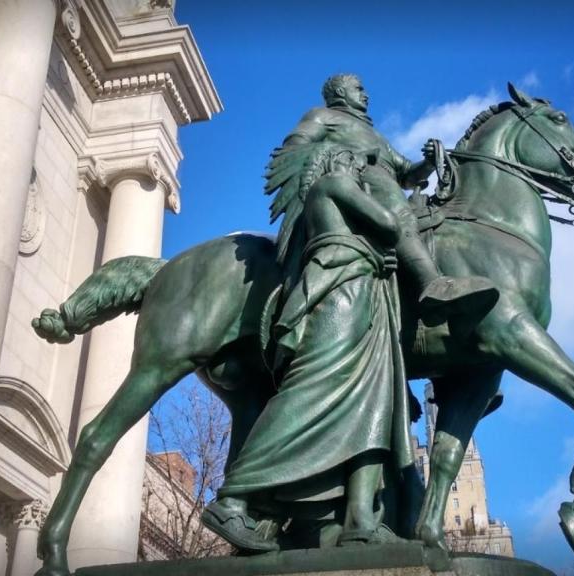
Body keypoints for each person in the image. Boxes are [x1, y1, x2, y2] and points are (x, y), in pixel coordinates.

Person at [202, 146, 414, 549]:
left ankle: (359, 518)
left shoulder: (338, 190)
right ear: (336, 163)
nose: (360, 174)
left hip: (363, 291)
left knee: (374, 402)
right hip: (339, 293)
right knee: (307, 392)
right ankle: (233, 500)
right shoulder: (332, 184)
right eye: (355, 166)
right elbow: (389, 224)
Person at [270, 73, 498, 321]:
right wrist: (348, 157)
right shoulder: (321, 116)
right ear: (339, 93)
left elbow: (408, 175)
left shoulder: (374, 133)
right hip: (354, 183)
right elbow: (294, 149)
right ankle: (431, 284)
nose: (365, 94)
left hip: (384, 186)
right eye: (358, 88)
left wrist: (430, 162)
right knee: (395, 202)